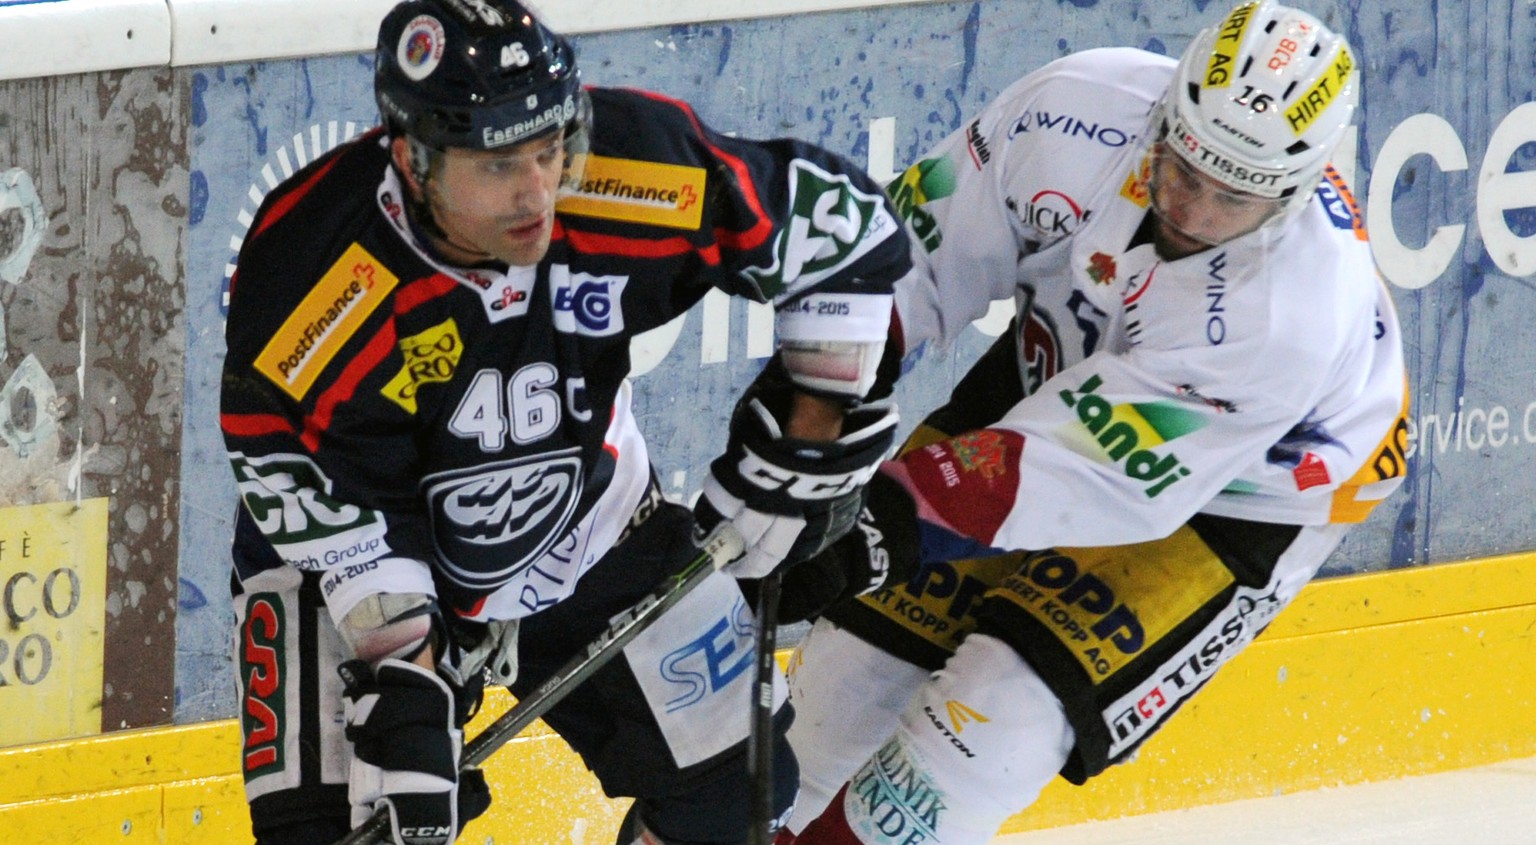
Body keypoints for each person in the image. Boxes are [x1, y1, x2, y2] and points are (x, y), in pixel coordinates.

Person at [219, 1, 912, 843]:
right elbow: (289, 469)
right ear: (412, 158)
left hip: (587, 527)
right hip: (351, 568)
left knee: (736, 800)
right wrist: (403, 666)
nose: (540, 193)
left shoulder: (632, 169)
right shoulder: (318, 265)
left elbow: (847, 238)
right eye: (500, 164)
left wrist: (805, 439)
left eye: (551, 151)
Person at [776, 2, 1409, 843]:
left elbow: (1086, 469)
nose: (1189, 209)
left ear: (1292, 192)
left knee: (989, 726)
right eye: (1183, 164)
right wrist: (796, 433)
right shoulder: (1073, 106)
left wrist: (877, 527)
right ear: (1166, 111)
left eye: (1232, 195)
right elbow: (907, 258)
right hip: (1067, 364)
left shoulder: (1288, 313)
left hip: (1245, 489)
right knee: (835, 695)